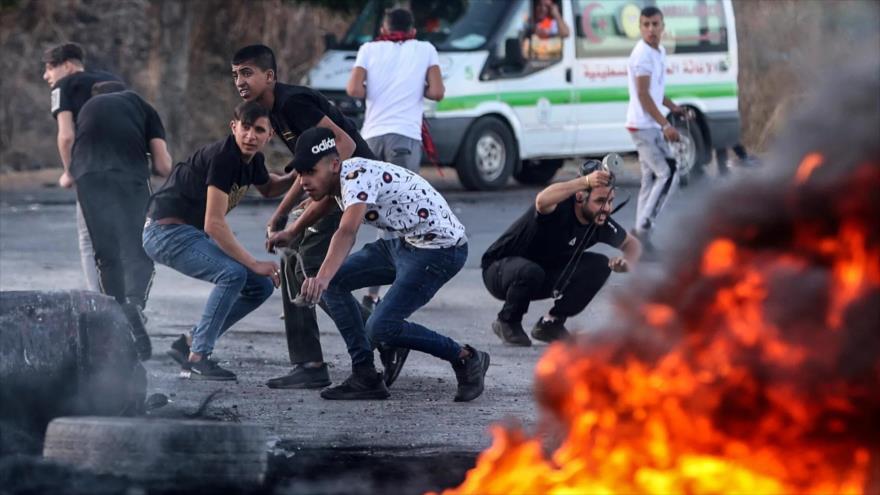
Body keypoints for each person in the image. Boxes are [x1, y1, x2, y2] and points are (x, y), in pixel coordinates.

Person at [230, 44, 409, 390]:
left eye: (247, 72)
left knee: (311, 262)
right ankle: (311, 361)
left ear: (269, 76)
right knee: (292, 260)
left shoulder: (292, 104)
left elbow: (341, 143)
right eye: (235, 74)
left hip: (353, 186)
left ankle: (382, 337)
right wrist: (281, 213)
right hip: (333, 185)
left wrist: (317, 197)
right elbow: (308, 165)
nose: (239, 80)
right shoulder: (275, 112)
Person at [268, 127, 489, 402]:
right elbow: (325, 203)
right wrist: (292, 231)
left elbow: (347, 232)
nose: (302, 181)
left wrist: (321, 277)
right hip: (404, 242)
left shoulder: (355, 178)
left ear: (334, 164)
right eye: (300, 174)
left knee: (380, 326)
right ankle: (365, 376)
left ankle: (466, 357)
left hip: (440, 251)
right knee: (335, 284)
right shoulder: (338, 179)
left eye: (310, 172)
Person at [142, 101, 293, 381]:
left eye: (259, 130)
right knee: (233, 273)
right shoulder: (225, 157)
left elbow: (270, 187)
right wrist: (254, 262)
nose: (250, 136)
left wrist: (300, 173)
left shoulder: (253, 160)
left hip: (187, 233)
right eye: (245, 128)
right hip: (165, 233)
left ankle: (189, 342)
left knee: (258, 287)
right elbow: (214, 223)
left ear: (269, 135)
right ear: (233, 127)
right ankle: (198, 357)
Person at [346, 7, 446, 310]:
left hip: (371, 137)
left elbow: (353, 88)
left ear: (384, 28)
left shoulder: (368, 49)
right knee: (399, 214)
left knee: (365, 209)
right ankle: (379, 292)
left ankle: (356, 282)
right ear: (412, 29)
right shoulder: (425, 49)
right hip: (405, 137)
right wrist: (417, 85)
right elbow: (438, 92)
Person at [481, 162, 641, 346]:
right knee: (531, 271)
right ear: (580, 197)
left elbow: (632, 244)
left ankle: (551, 324)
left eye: (610, 201)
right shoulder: (559, 206)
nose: (607, 208)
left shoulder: (599, 221)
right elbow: (541, 200)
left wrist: (628, 263)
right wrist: (585, 181)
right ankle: (508, 321)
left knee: (599, 265)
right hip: (498, 271)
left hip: (540, 274)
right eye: (600, 201)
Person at [72, 81, 172, 360]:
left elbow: (69, 140)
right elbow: (163, 166)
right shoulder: (141, 105)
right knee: (140, 249)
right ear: (124, 92)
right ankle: (135, 306)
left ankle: (118, 319)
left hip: (86, 176)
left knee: (106, 255)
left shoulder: (85, 110)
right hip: (128, 176)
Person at [42, 42, 123, 292]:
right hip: (127, 169)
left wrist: (70, 172)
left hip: (91, 169)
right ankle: (130, 301)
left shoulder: (62, 86)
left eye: (49, 69)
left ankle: (99, 301)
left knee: (88, 238)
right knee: (121, 238)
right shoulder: (113, 81)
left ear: (66, 66)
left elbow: (66, 136)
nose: (47, 76)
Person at [625, 6, 685, 256]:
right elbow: (642, 95)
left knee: (650, 179)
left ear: (662, 26)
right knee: (668, 172)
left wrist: (673, 107)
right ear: (640, 27)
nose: (651, 29)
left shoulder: (658, 51)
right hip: (642, 126)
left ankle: (639, 236)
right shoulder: (642, 55)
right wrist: (666, 124)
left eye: (655, 24)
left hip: (648, 125)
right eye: (646, 24)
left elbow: (656, 92)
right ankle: (643, 232)